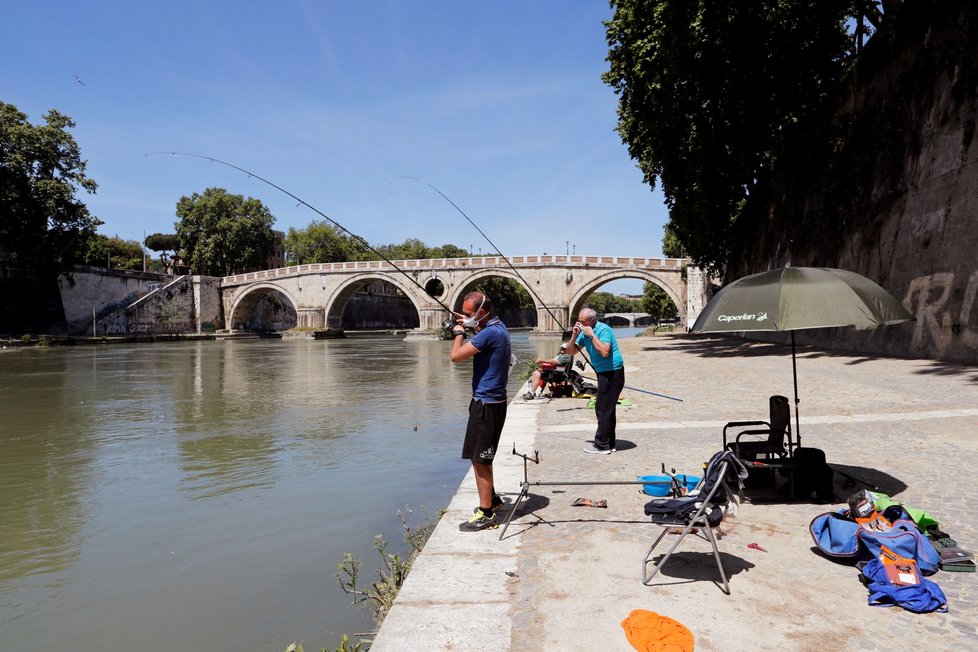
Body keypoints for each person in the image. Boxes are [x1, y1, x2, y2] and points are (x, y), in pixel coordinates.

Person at [450, 291, 511, 531]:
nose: (464, 317)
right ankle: (493, 499)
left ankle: (486, 514)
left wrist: (458, 334)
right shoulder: (499, 327)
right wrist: (472, 326)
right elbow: (484, 339)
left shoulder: (489, 334)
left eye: (467, 314)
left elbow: (455, 357)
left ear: (481, 313)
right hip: (493, 401)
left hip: (486, 403)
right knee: (481, 456)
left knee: (480, 458)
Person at [565, 307, 624, 455]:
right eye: (578, 321)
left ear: (591, 321)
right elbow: (570, 351)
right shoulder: (583, 332)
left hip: (613, 372)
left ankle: (601, 445)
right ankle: (609, 443)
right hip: (603, 373)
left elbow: (605, 352)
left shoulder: (603, 330)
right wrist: (574, 336)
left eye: (583, 322)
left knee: (603, 408)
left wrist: (591, 336)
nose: (580, 324)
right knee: (607, 409)